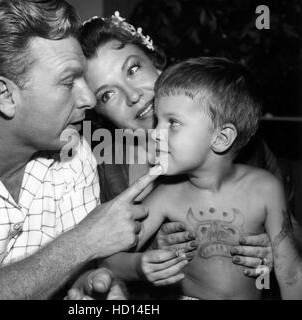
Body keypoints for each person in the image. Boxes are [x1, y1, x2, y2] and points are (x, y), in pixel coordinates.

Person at [0, 0, 160, 299]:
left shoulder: (74, 153)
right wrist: (81, 242)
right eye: (68, 81)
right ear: (5, 96)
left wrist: (94, 287)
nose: (89, 98)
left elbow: (76, 276)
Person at [66, 13, 276, 300]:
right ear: (97, 112)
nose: (132, 95)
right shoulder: (94, 172)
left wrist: (271, 246)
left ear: (156, 61)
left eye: (133, 69)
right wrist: (146, 259)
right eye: (107, 95)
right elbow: (91, 264)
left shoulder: (233, 141)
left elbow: (291, 233)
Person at [102, 57, 302, 299]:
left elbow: (290, 272)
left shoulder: (265, 188)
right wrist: (139, 265)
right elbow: (108, 261)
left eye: (172, 122)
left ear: (221, 138)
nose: (155, 133)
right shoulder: (167, 195)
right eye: (157, 120)